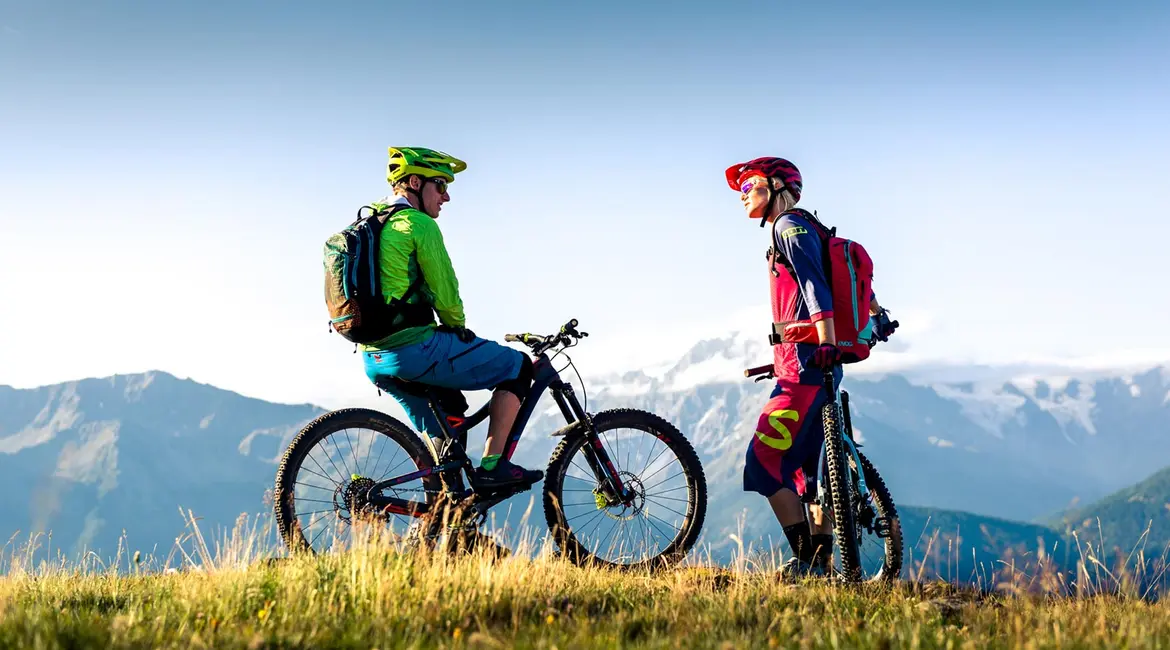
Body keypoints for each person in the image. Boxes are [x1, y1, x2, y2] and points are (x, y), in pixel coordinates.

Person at [724, 156, 896, 578]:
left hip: (806, 367)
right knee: (809, 473)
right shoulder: (812, 227)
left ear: (775, 186)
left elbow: (814, 285)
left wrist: (824, 340)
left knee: (763, 461)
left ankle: (808, 562)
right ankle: (820, 564)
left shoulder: (789, 226)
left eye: (750, 187)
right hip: (813, 363)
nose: (743, 196)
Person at [359, 146, 543, 491]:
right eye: (440, 185)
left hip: (374, 357)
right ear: (415, 182)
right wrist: (457, 327)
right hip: (414, 349)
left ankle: (453, 521)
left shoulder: (374, 222)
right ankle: (493, 466)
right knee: (517, 366)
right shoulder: (418, 224)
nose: (446, 196)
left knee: (448, 435)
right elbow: (444, 290)